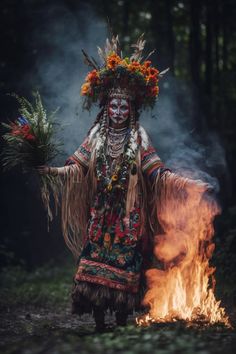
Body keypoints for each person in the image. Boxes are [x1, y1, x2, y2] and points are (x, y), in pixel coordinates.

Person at [38, 35, 209, 330]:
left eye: (123, 107)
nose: (118, 112)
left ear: (132, 110)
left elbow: (157, 173)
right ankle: (99, 319)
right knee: (92, 261)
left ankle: (120, 316)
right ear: (106, 108)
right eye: (113, 107)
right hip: (101, 213)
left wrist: (185, 184)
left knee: (127, 263)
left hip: (129, 216)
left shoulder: (139, 138)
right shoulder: (95, 137)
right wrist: (50, 171)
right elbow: (75, 166)